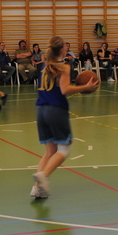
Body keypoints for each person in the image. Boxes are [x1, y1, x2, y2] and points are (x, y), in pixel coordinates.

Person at [29, 35, 99, 199]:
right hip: (55, 110)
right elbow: (65, 89)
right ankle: (43, 176)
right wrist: (85, 87)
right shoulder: (64, 67)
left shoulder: (45, 66)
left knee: (49, 151)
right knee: (65, 149)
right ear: (62, 49)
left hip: (41, 110)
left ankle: (36, 189)